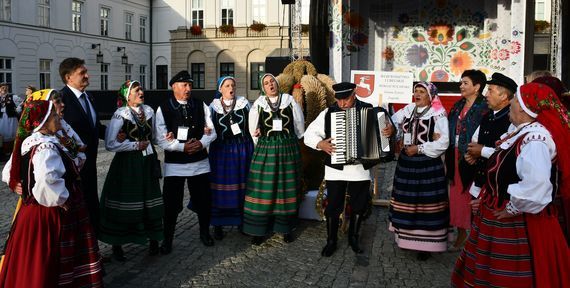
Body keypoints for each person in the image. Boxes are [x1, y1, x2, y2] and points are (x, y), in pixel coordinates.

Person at [451, 83, 570, 287]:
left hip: (518, 225)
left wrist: (512, 207)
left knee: (508, 277)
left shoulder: (535, 140)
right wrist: (487, 198)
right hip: (496, 215)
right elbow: (505, 173)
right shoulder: (521, 132)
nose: (512, 104)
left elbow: (536, 185)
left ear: (523, 108)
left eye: (515, 100)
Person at [0, 99, 103, 287]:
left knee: (31, 260)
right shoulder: (46, 147)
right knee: (47, 259)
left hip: (30, 212)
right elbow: (48, 181)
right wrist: (62, 199)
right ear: (45, 121)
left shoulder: (30, 141)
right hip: (48, 213)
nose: (59, 117)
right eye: (54, 115)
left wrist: (18, 183)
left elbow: (11, 170)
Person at [304, 82, 392, 256]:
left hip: (360, 169)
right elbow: (309, 134)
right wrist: (320, 143)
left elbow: (388, 129)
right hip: (335, 169)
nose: (342, 104)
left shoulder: (372, 111)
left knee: (359, 205)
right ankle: (331, 241)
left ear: (354, 95)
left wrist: (391, 130)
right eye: (339, 100)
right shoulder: (329, 113)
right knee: (333, 206)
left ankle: (353, 237)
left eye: (346, 99)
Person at [98, 80, 164, 261]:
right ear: (128, 96)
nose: (141, 92)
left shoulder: (149, 111)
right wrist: (134, 144)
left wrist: (169, 137)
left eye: (141, 89)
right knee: (125, 198)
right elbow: (111, 144)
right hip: (127, 164)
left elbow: (156, 138)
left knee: (148, 198)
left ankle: (153, 239)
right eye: (136, 90)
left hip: (148, 161)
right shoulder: (121, 115)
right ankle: (117, 243)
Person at [155, 70, 217, 253]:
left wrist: (201, 143)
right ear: (174, 87)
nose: (188, 88)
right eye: (184, 85)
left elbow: (212, 130)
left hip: (200, 163)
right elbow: (160, 137)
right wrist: (182, 147)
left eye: (190, 85)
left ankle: (204, 233)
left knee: (204, 200)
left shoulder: (200, 105)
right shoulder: (164, 108)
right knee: (171, 204)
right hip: (175, 165)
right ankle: (167, 240)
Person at [387, 82, 450, 260]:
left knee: (426, 206)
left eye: (422, 92)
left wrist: (419, 149)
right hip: (406, 164)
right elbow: (392, 123)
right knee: (406, 203)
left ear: (430, 96)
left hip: (428, 166)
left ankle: (426, 246)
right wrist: (392, 129)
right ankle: (406, 240)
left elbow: (443, 142)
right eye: (416, 91)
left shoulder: (438, 115)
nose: (417, 94)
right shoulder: (408, 109)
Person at [244, 73, 304, 245]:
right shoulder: (259, 104)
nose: (270, 85)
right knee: (264, 188)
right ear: (263, 87)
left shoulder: (289, 100)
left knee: (286, 188)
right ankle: (259, 229)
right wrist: (259, 140)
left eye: (272, 81)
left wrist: (295, 138)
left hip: (287, 148)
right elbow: (252, 130)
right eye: (266, 83)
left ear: (277, 83)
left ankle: (286, 228)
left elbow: (299, 127)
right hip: (267, 149)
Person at [59, 57, 106, 234]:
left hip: (90, 165)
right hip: (71, 170)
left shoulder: (89, 97)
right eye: (82, 73)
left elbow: (96, 127)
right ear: (68, 77)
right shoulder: (61, 100)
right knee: (77, 211)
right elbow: (59, 134)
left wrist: (118, 133)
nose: (87, 75)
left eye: (85, 72)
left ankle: (93, 251)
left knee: (91, 205)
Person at [446, 69, 489, 250]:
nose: (461, 86)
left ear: (477, 87)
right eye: (461, 82)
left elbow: (488, 135)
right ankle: (461, 232)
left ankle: (474, 235)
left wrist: (475, 153)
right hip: (455, 154)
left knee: (471, 194)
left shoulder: (484, 108)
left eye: (465, 83)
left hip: (473, 157)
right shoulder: (458, 105)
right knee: (456, 196)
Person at [207, 76, 254, 239]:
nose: (231, 88)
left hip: (242, 149)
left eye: (233, 85)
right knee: (220, 189)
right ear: (220, 89)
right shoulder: (212, 107)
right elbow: (207, 128)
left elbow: (254, 124)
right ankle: (218, 224)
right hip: (220, 151)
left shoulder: (244, 103)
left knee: (243, 186)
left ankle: (242, 221)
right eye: (227, 85)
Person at [465, 73, 517, 200]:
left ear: (503, 96)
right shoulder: (487, 116)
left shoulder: (514, 119)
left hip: (500, 189)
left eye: (490, 90)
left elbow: (510, 153)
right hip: (481, 183)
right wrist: (473, 154)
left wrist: (481, 151)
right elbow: (475, 141)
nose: (486, 95)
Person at [0, 82, 23, 160]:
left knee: (12, 134)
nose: (4, 89)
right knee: (2, 135)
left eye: (6, 87)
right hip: (1, 119)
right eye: (2, 88)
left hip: (11, 118)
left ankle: (12, 153)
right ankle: (3, 153)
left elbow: (21, 103)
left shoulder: (13, 97)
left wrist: (17, 110)